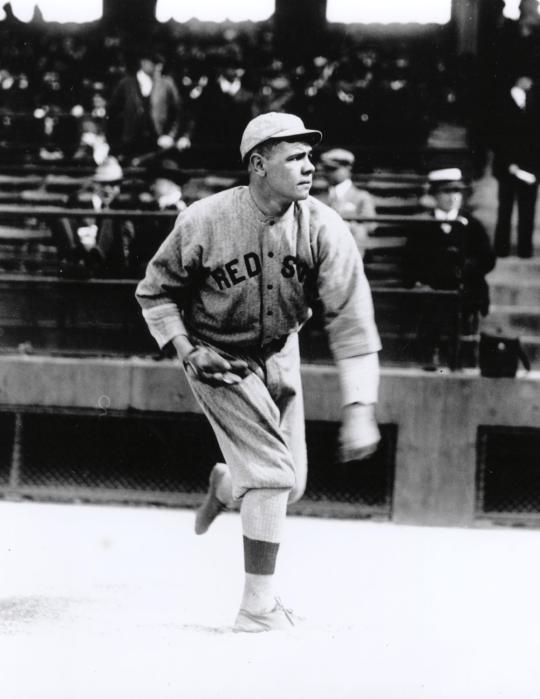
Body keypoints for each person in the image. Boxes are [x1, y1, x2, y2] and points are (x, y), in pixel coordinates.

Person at [136, 112, 381, 632]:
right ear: (258, 164)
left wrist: (360, 408)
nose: (309, 166)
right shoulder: (204, 219)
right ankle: (257, 609)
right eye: (295, 157)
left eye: (310, 156)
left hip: (281, 351)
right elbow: (155, 293)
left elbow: (353, 321)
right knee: (272, 475)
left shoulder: (323, 226)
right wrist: (187, 350)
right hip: (217, 355)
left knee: (291, 486)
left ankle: (228, 483)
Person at [404, 168, 496, 364]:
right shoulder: (422, 224)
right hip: (432, 287)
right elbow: (411, 259)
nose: (453, 197)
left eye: (457, 192)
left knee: (462, 303)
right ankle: (431, 354)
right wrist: (419, 280)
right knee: (432, 305)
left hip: (463, 285)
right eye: (446, 192)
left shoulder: (471, 224)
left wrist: (467, 268)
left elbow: (487, 258)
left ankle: (459, 354)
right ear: (434, 195)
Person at [50, 156, 134, 278]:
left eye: (114, 185)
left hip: (108, 267)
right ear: (95, 185)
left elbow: (125, 240)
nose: (109, 190)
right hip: (81, 261)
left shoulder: (121, 208)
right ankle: (84, 262)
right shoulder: (78, 203)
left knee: (109, 216)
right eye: (104, 184)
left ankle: (94, 258)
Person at [491, 74, 540, 258]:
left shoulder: (534, 101)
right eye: (528, 78)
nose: (531, 83)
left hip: (530, 167)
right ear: (519, 79)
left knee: (528, 210)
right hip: (507, 166)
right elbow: (495, 136)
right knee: (505, 208)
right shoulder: (501, 102)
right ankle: (501, 248)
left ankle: (524, 249)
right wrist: (508, 163)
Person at [106, 51, 185, 163]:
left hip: (159, 145)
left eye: (160, 64)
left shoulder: (167, 84)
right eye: (154, 63)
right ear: (143, 62)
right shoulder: (126, 84)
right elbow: (112, 114)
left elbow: (178, 113)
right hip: (129, 145)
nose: (159, 67)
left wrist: (170, 135)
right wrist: (115, 142)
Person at [316, 148, 376, 253]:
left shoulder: (361, 197)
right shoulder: (319, 199)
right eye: (326, 169)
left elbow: (370, 226)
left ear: (348, 168)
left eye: (333, 169)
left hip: (351, 249)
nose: (328, 173)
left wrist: (348, 226)